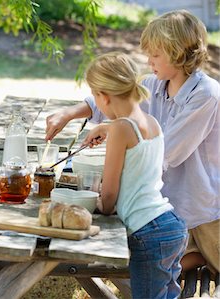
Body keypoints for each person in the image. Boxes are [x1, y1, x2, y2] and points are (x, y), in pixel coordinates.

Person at [46, 10, 219, 278]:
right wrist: (67, 114)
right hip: (166, 208)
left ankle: (196, 259)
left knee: (146, 264)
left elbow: (166, 152)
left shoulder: (206, 95)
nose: (148, 60)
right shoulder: (157, 84)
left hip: (204, 211)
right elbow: (112, 101)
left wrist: (117, 135)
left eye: (156, 54)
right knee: (142, 260)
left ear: (178, 53)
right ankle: (191, 258)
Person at [82, 52, 188, 297]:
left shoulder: (120, 128)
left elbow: (109, 195)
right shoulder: (151, 122)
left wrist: (98, 206)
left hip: (148, 230)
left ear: (103, 97)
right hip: (170, 224)